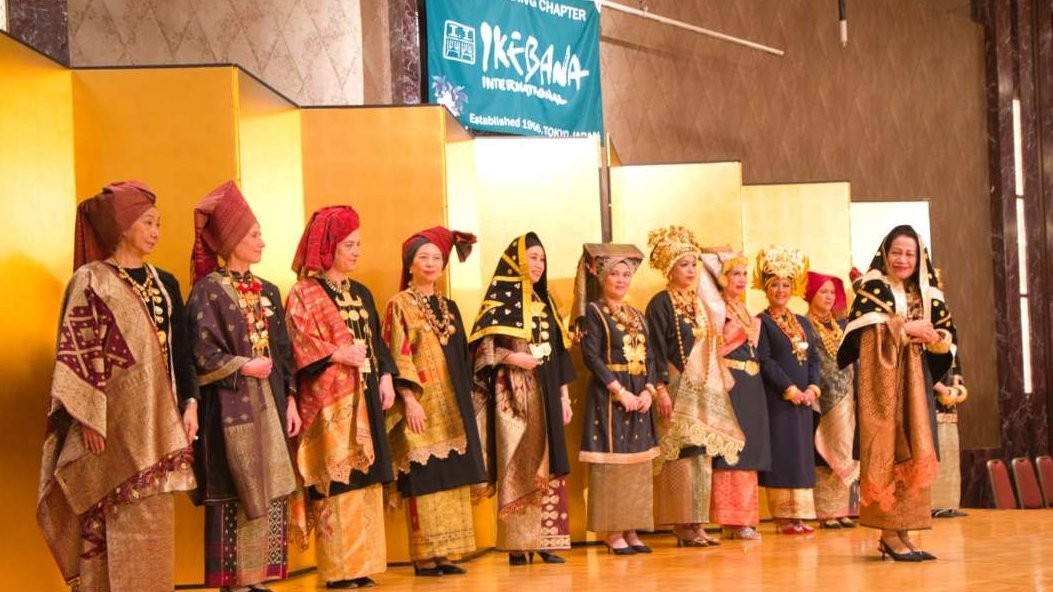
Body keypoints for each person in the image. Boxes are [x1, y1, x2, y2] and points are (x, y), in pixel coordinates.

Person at [37, 181, 198, 592]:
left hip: (158, 425)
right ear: (123, 226)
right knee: (111, 517)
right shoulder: (92, 281)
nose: (157, 231)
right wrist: (89, 418)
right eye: (148, 222)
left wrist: (191, 404)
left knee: (154, 516)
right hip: (107, 427)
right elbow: (79, 351)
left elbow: (182, 350)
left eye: (159, 223)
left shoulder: (165, 284)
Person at [186, 181, 300, 592]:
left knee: (270, 483)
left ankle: (259, 576)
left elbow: (284, 353)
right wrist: (242, 365)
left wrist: (290, 399)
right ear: (232, 240)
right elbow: (200, 353)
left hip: (269, 402)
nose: (262, 242)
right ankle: (234, 579)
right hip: (229, 407)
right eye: (254, 235)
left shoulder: (268, 290)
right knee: (235, 483)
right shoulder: (206, 292)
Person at [285, 206, 396, 589]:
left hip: (366, 392)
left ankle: (362, 566)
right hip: (330, 400)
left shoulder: (361, 292)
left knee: (366, 479)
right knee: (337, 483)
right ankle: (337, 570)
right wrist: (336, 354)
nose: (356, 252)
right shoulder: (304, 292)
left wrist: (386, 379)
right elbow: (297, 344)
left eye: (358, 245)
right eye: (349, 244)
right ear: (329, 246)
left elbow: (377, 343)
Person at [838, 225, 956, 561]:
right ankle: (889, 533)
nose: (903, 259)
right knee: (887, 452)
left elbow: (948, 335)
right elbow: (862, 337)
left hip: (917, 389)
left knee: (913, 454)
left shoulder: (927, 292)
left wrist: (936, 337)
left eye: (910, 253)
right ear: (885, 253)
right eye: (897, 252)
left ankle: (905, 530)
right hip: (884, 389)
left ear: (920, 258)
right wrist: (904, 329)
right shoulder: (872, 289)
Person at [381, 227, 486, 576]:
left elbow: (461, 358)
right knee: (425, 477)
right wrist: (408, 399)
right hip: (421, 407)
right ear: (410, 264)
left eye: (436, 258)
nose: (430, 263)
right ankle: (425, 556)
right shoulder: (399, 306)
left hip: (452, 408)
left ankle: (447, 553)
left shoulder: (449, 307)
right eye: (422, 257)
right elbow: (397, 355)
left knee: (451, 474)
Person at [469, 232, 575, 566]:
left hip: (545, 390)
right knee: (518, 461)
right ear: (516, 259)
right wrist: (512, 359)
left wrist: (564, 397)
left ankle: (546, 540)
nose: (538, 265)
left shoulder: (547, 305)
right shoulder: (498, 303)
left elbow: (558, 355)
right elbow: (481, 350)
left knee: (549, 461)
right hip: (512, 394)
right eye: (532, 257)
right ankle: (517, 543)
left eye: (542, 258)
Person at [644, 227, 744, 547]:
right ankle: (681, 525)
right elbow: (655, 348)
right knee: (682, 455)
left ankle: (698, 523)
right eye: (683, 264)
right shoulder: (660, 303)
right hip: (675, 388)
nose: (689, 271)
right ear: (670, 269)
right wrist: (659, 388)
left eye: (693, 264)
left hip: (702, 388)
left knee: (702, 456)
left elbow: (711, 343)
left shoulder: (700, 303)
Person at [573, 244, 660, 555]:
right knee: (613, 465)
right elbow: (591, 356)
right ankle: (612, 532)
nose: (621, 280)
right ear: (602, 277)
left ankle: (632, 528)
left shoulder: (637, 315)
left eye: (626, 274)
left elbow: (651, 356)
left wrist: (649, 390)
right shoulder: (594, 312)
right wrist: (619, 391)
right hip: (610, 395)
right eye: (615, 274)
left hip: (639, 394)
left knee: (637, 465)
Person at [700, 249, 772, 541]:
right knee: (732, 450)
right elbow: (712, 346)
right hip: (730, 380)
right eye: (734, 274)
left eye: (744, 273)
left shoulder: (744, 310)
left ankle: (746, 517)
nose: (741, 279)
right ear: (722, 278)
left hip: (752, 381)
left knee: (750, 448)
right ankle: (730, 519)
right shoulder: (716, 310)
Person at [754, 246, 820, 535]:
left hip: (805, 401)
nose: (780, 291)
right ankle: (783, 517)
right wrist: (790, 388)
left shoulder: (803, 322)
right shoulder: (762, 322)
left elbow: (814, 358)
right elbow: (764, 360)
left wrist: (813, 388)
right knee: (783, 454)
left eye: (785, 285)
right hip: (778, 401)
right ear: (766, 289)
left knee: (802, 454)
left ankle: (800, 516)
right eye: (775, 285)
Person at [805, 271, 859, 529]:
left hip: (845, 397)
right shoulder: (805, 325)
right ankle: (825, 512)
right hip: (820, 398)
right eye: (822, 292)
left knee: (844, 449)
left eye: (831, 292)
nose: (828, 297)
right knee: (822, 452)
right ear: (811, 295)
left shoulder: (840, 325)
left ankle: (841, 510)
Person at [930, 268, 967, 519]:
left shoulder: (946, 320)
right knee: (933, 448)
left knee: (950, 447)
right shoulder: (921, 320)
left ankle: (948, 502)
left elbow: (954, 356)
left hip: (948, 397)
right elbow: (919, 360)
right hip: (929, 396)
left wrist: (957, 382)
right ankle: (931, 504)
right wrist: (939, 386)